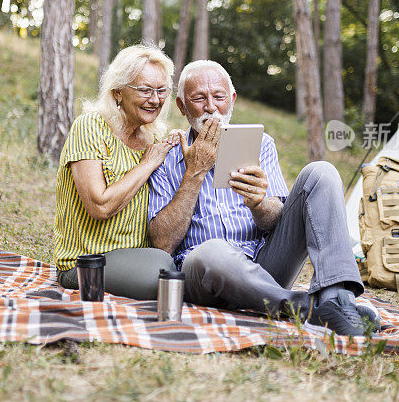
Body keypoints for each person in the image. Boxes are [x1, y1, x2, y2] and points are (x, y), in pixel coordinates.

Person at [147, 60, 377, 336]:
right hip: (205, 276)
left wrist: (259, 203)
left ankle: (338, 299)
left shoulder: (261, 144)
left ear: (231, 100)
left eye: (219, 97)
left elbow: (276, 220)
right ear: (182, 106)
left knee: (322, 172)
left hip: (265, 267)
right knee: (213, 250)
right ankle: (310, 309)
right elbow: (162, 243)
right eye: (199, 98)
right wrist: (194, 173)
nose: (211, 107)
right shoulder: (167, 154)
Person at [53, 44, 178, 300]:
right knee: (164, 276)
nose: (155, 100)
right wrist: (146, 165)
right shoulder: (90, 127)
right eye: (145, 90)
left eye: (161, 90)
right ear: (118, 92)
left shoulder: (155, 138)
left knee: (182, 267)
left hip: (139, 256)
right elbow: (99, 206)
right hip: (86, 262)